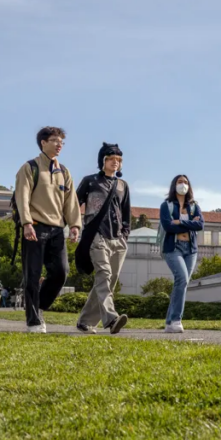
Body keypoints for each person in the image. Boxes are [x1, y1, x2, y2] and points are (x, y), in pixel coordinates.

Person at [15, 127, 82, 333]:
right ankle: (33, 321)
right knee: (32, 275)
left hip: (56, 231)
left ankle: (39, 306)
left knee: (61, 272)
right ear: (43, 143)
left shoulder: (64, 172)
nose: (59, 144)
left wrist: (75, 225)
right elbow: (22, 197)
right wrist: (26, 223)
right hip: (34, 227)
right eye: (54, 140)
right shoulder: (30, 168)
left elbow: (71, 201)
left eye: (61, 141)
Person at [75, 142, 130, 335]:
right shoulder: (90, 181)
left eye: (118, 160)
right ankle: (111, 318)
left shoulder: (123, 185)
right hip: (96, 236)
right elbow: (74, 204)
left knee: (108, 280)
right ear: (103, 160)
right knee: (104, 275)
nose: (115, 162)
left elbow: (126, 213)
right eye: (111, 159)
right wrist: (74, 227)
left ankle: (85, 322)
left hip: (118, 240)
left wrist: (125, 235)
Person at [159, 175, 205, 333]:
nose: (183, 184)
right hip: (173, 248)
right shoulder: (166, 205)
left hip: (191, 249)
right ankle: (177, 320)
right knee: (182, 279)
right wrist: (190, 224)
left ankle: (169, 322)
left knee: (181, 283)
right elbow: (168, 226)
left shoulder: (194, 206)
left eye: (185, 182)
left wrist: (180, 222)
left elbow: (200, 225)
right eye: (180, 182)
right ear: (174, 185)